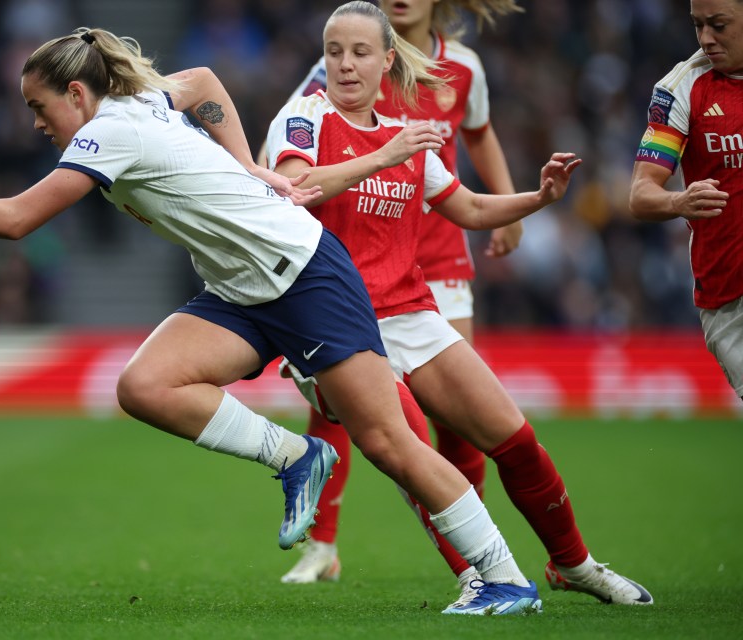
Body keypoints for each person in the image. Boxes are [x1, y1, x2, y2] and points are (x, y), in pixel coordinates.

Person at [0, 26, 544, 615]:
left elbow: (16, 217)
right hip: (241, 288)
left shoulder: (109, 131)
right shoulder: (144, 101)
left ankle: (505, 578)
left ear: (79, 95)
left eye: (40, 105)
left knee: (390, 445)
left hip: (305, 274)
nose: (36, 122)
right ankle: (298, 457)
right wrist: (252, 169)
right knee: (145, 386)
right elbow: (205, 80)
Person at [266, 1, 652, 608]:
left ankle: (574, 564)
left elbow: (468, 208)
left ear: (388, 62)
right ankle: (481, 575)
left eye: (360, 52)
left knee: (513, 438)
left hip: (412, 312)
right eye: (333, 51)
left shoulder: (408, 133)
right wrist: (384, 156)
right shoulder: (302, 119)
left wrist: (538, 198)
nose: (344, 65)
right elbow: (297, 191)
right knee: (412, 452)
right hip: (334, 324)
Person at [276, 0, 524, 587]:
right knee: (344, 407)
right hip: (365, 253)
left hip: (438, 251)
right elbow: (294, 139)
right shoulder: (342, 60)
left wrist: (512, 203)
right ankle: (324, 545)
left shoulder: (462, 66)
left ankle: (477, 544)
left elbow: (480, 135)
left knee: (455, 418)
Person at [629, 0, 742, 400]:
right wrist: (679, 202)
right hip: (731, 297)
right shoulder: (680, 88)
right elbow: (641, 195)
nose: (706, 38)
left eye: (719, 25)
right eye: (698, 25)